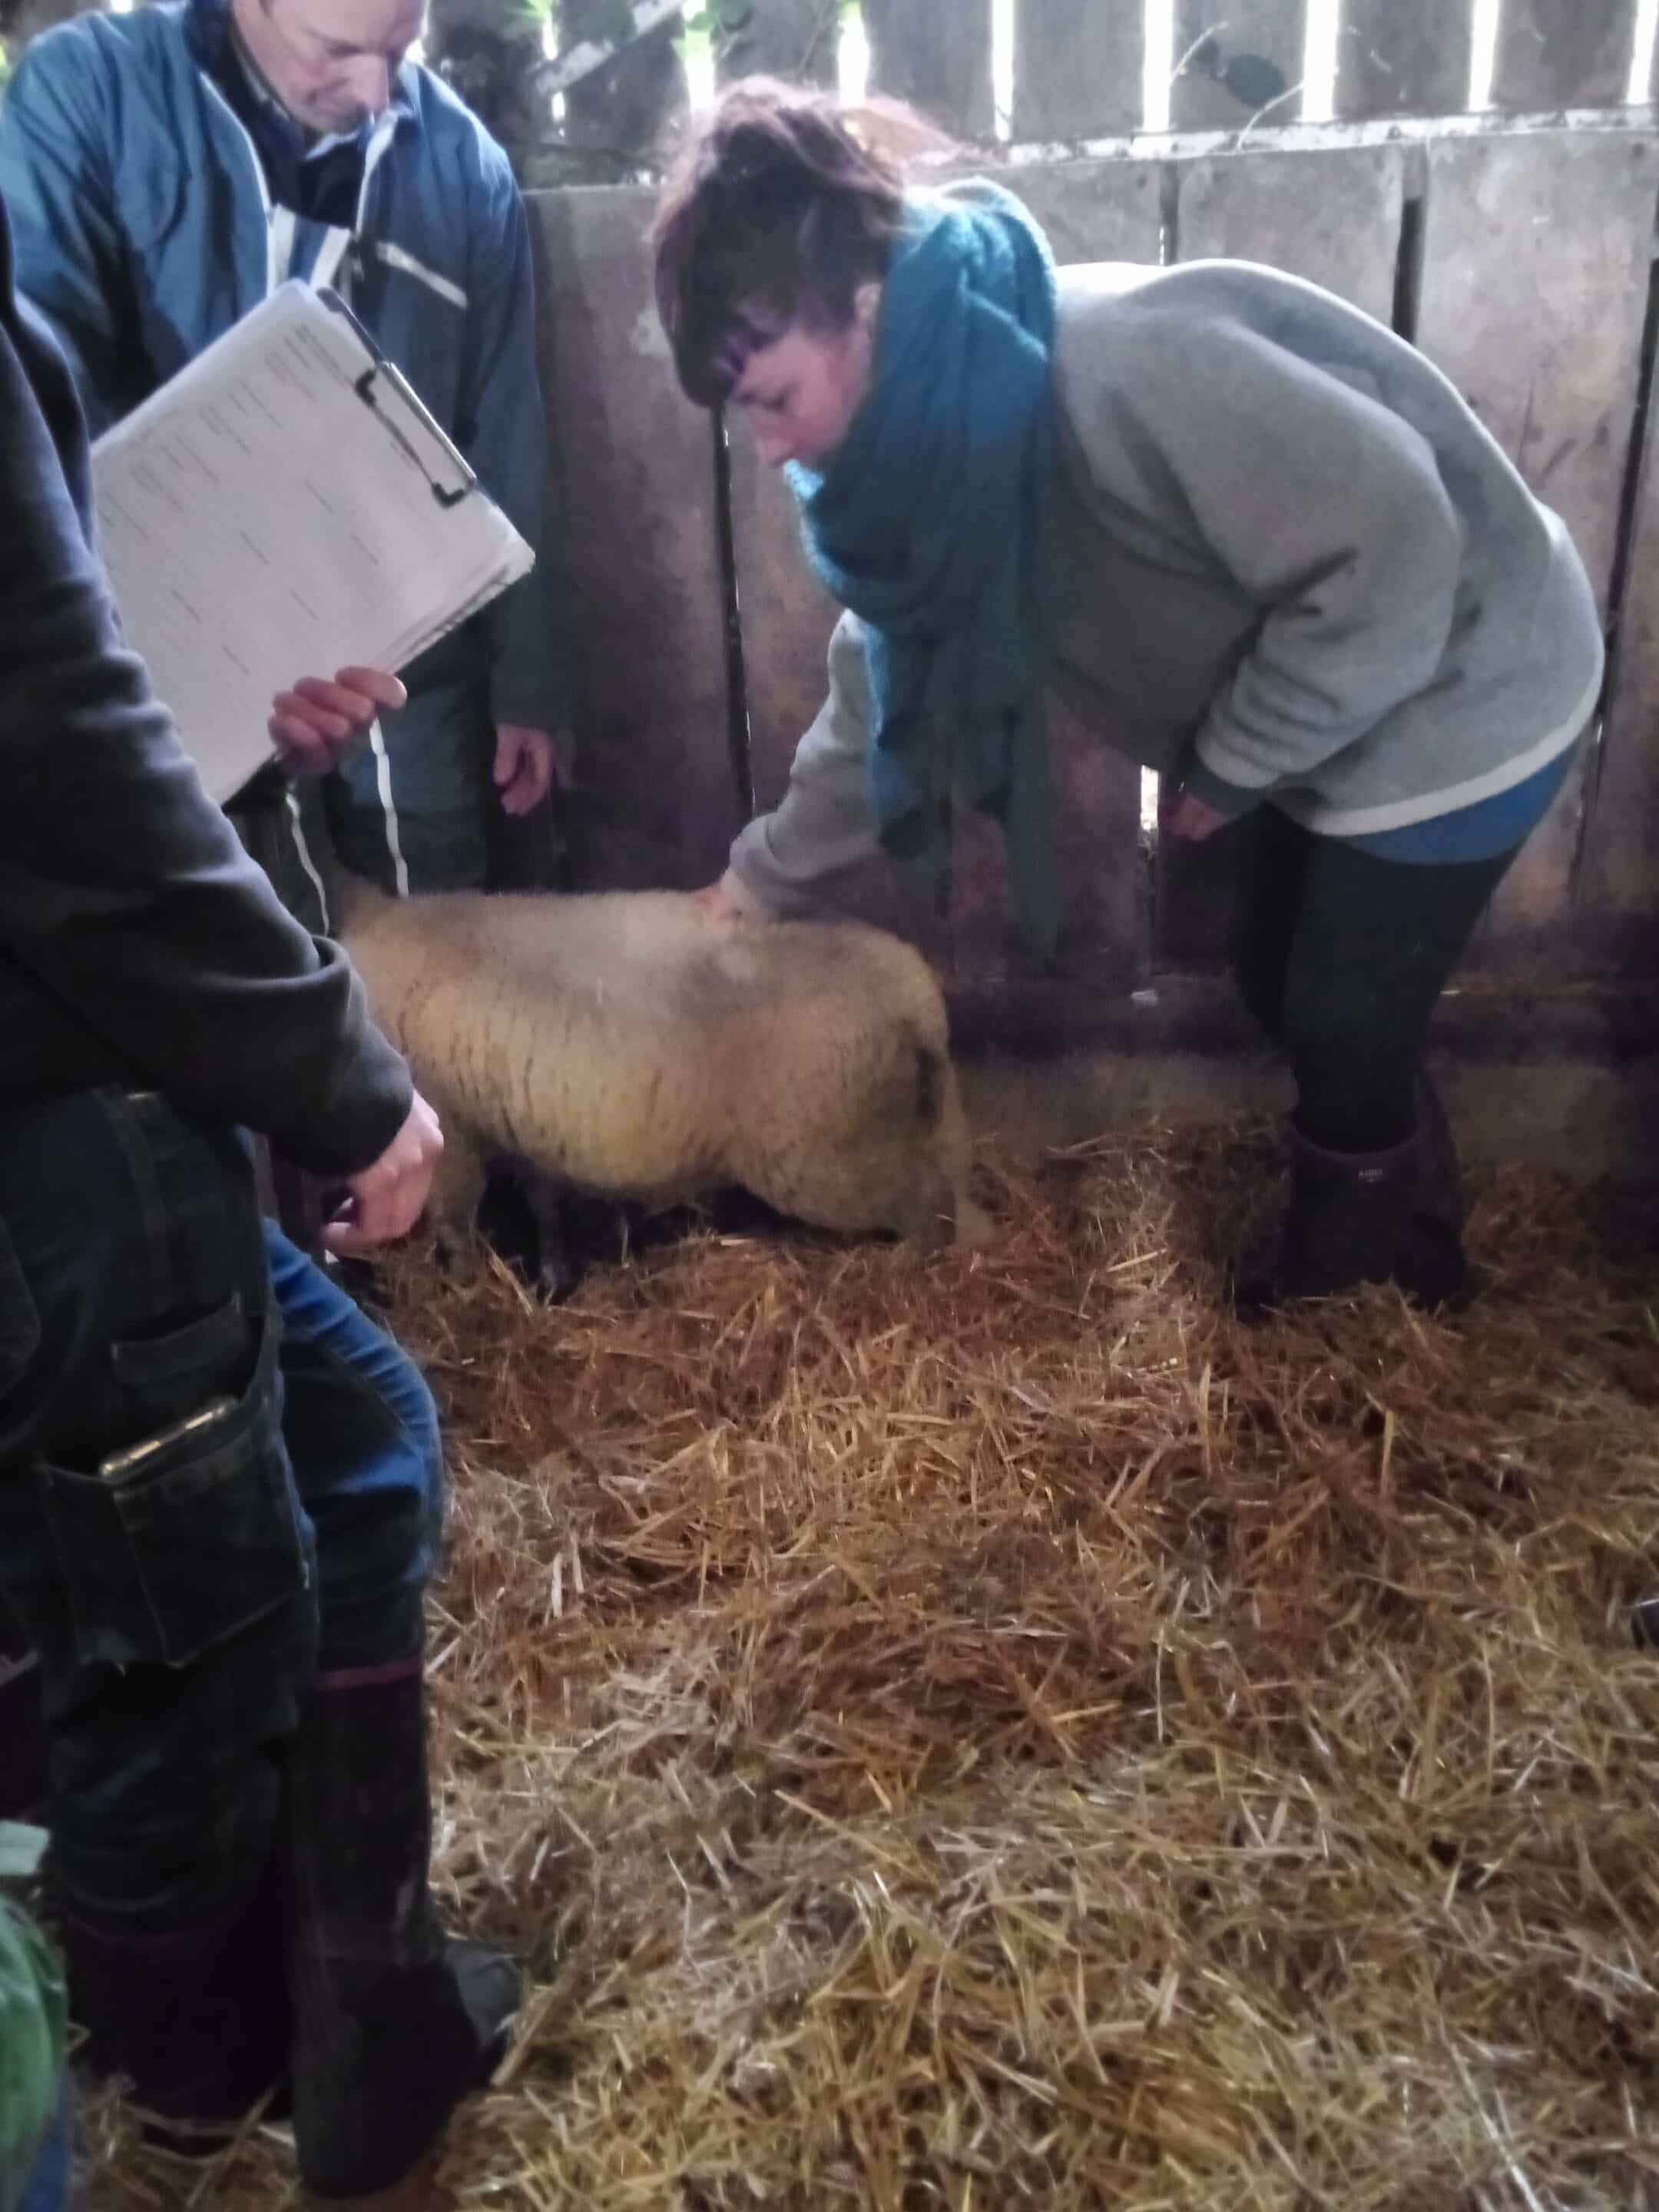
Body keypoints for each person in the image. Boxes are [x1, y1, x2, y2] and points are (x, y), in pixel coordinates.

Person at [651, 81, 1606, 1311]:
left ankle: (1377, 1282)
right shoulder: (921, 478)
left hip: (1471, 672)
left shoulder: (1116, 366)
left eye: (771, 398)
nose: (768, 450)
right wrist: (756, 883)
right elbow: (878, 688)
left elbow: (1400, 540)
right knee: (1273, 967)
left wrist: (1236, 757)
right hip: (1345, 688)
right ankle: (1400, 1164)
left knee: (1338, 1003)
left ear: (865, 309)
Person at [0, 183, 516, 2210]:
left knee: (356, 1450)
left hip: (86, 1085)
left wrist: (254, 746)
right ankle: (203, 2087)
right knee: (158, 1644)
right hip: (57, 1136)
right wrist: (335, 1075)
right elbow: (63, 768)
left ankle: (355, 1995)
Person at [0, 0, 567, 930]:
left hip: (406, 647)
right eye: (339, 51)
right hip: (177, 652)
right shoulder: (90, 98)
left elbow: (506, 429)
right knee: (239, 933)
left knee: (441, 927)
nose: (379, 91)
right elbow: (36, 387)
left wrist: (531, 680)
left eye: (401, 49)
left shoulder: (466, 172)